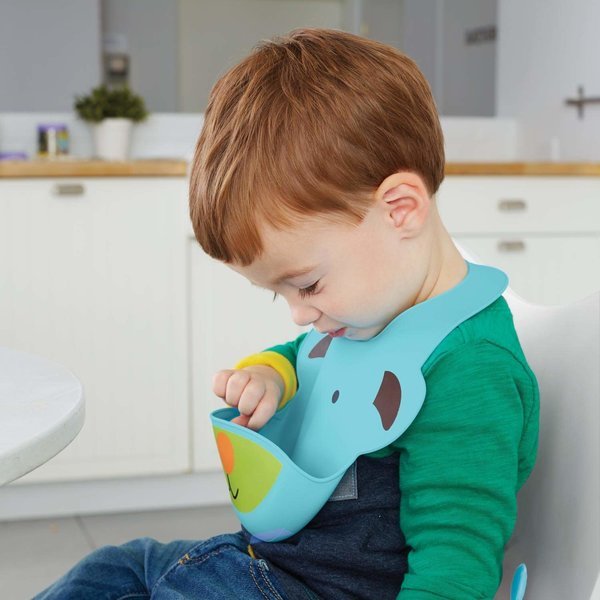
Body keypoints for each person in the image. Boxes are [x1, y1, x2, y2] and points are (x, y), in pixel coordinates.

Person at [35, 28, 539, 600]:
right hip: (264, 563)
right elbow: (313, 360)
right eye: (281, 294)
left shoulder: (470, 370)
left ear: (400, 210)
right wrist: (272, 375)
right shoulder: (372, 311)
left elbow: (457, 565)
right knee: (113, 568)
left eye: (307, 285)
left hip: (317, 590)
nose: (299, 315)